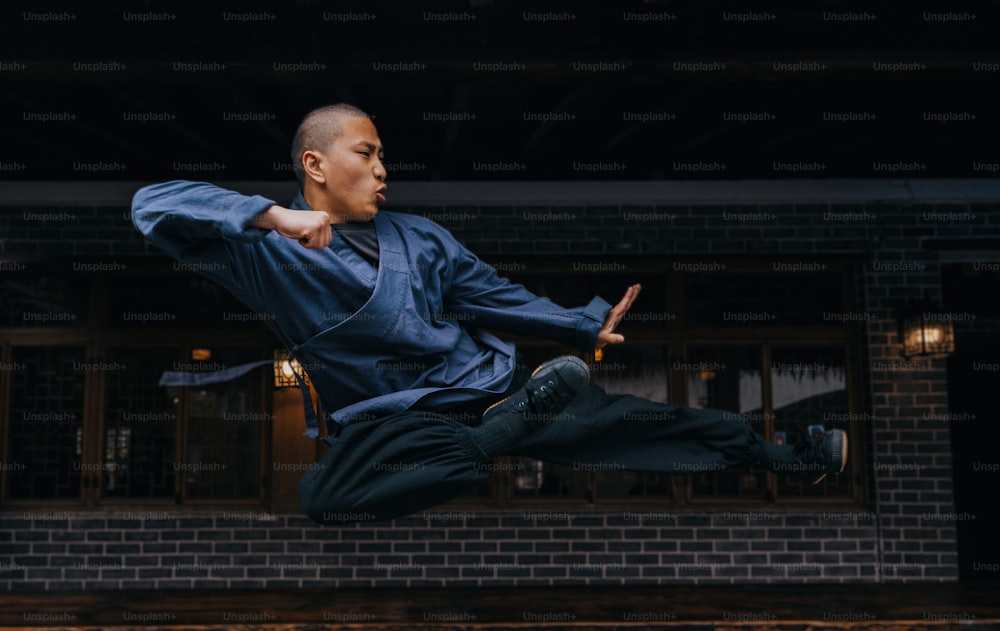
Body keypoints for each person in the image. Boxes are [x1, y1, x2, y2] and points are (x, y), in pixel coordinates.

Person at [132, 103, 847, 525]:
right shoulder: (265, 251)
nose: (384, 170)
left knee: (640, 423)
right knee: (323, 496)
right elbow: (151, 205)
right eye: (367, 153)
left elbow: (493, 295)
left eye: (385, 157)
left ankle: (792, 455)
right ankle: (497, 438)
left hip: (494, 383)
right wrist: (273, 216)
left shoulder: (420, 237)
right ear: (315, 164)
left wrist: (579, 325)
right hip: (398, 421)